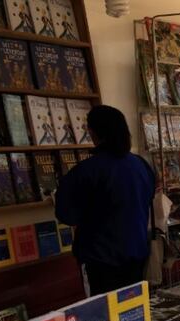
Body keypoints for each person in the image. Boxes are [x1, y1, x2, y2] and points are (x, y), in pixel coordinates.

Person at [55, 105, 155, 296]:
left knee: (102, 310)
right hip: (137, 251)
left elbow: (66, 214)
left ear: (93, 132)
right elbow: (148, 197)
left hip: (100, 259)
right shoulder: (141, 164)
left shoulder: (86, 171)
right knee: (132, 307)